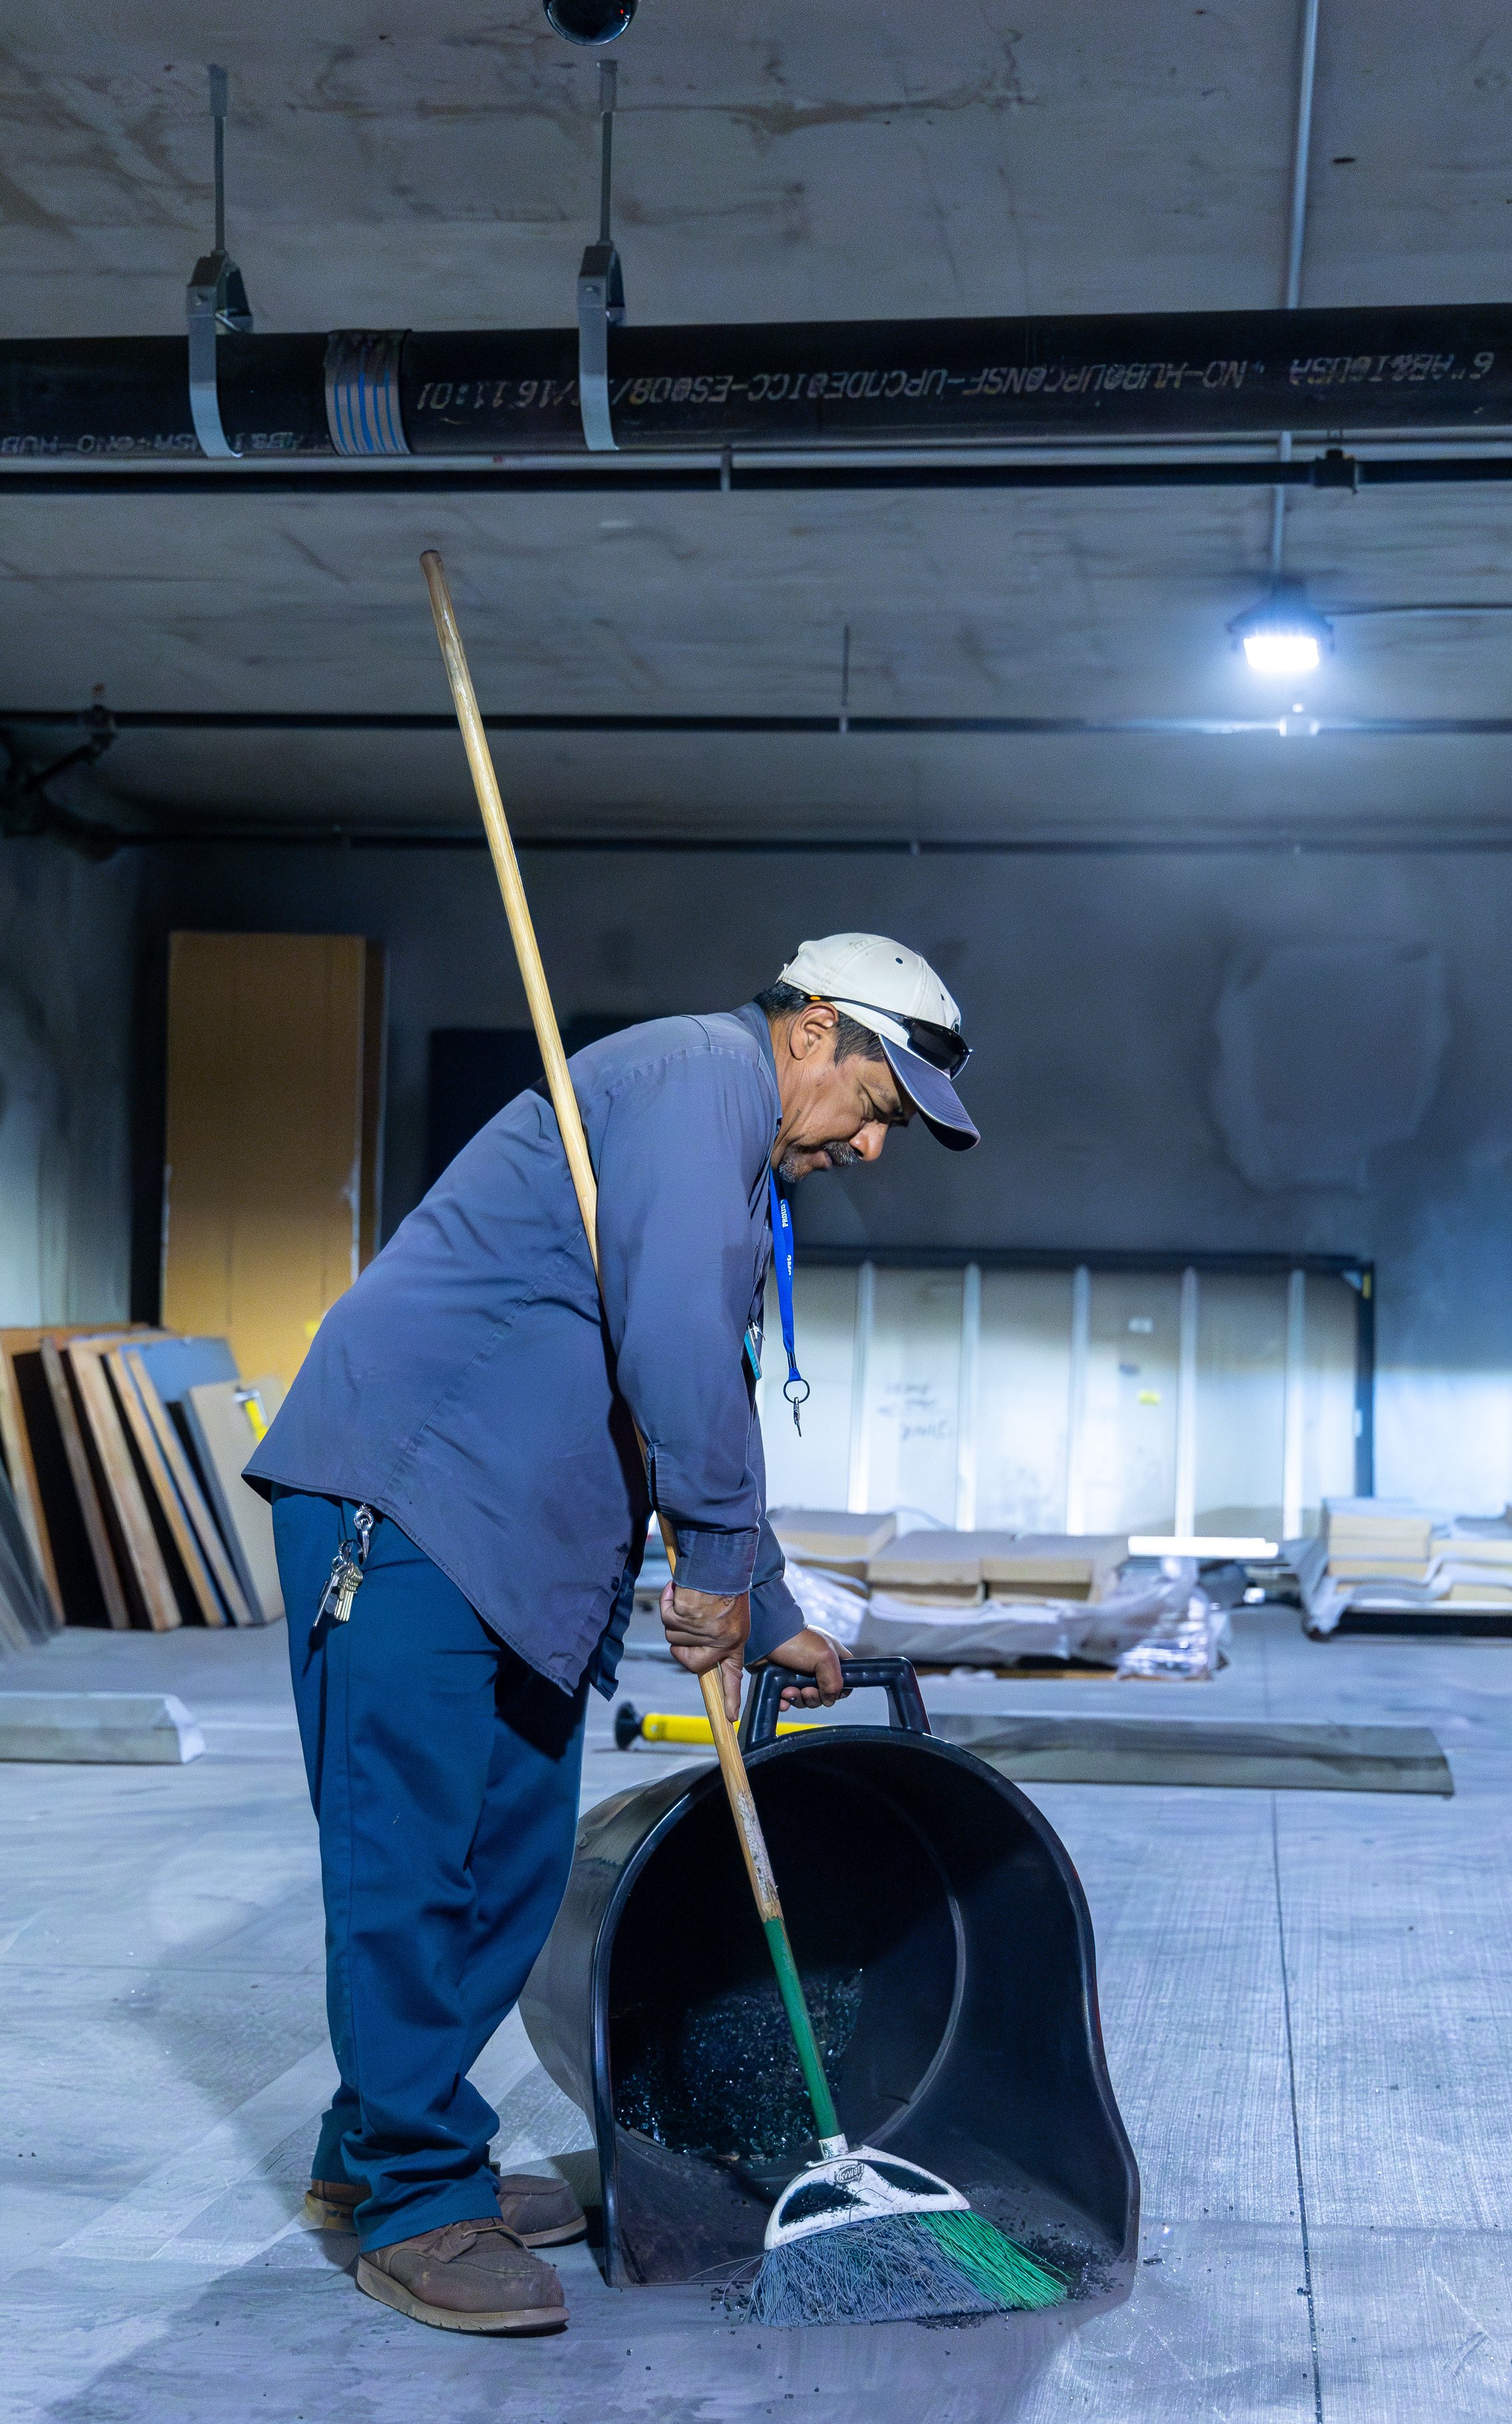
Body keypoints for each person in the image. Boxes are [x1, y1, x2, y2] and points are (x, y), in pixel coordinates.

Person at [245, 931, 978, 2336]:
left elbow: (700, 1383)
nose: (872, 1150)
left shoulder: (733, 1154)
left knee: (511, 1865)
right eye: (879, 1109)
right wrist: (706, 1561)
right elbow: (672, 1346)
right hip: (406, 1504)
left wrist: (759, 1603)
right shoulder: (697, 1084)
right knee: (414, 1865)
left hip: (519, 1538)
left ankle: (378, 2151)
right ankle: (415, 2197)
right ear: (814, 1030)